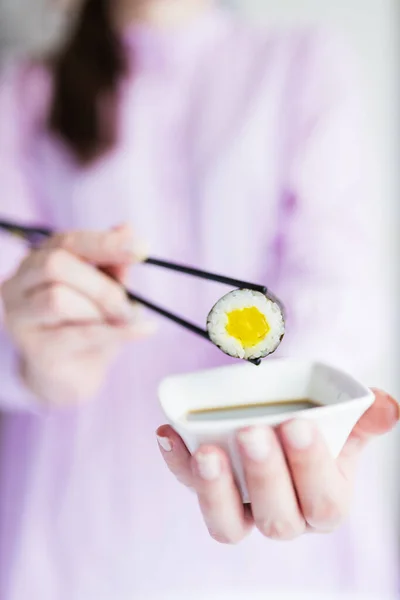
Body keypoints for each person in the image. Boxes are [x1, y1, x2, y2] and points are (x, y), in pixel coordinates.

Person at [0, 1, 398, 599]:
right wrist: (34, 353)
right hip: (79, 528)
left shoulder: (302, 64)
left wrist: (305, 418)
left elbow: (339, 287)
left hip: (286, 544)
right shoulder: (23, 92)